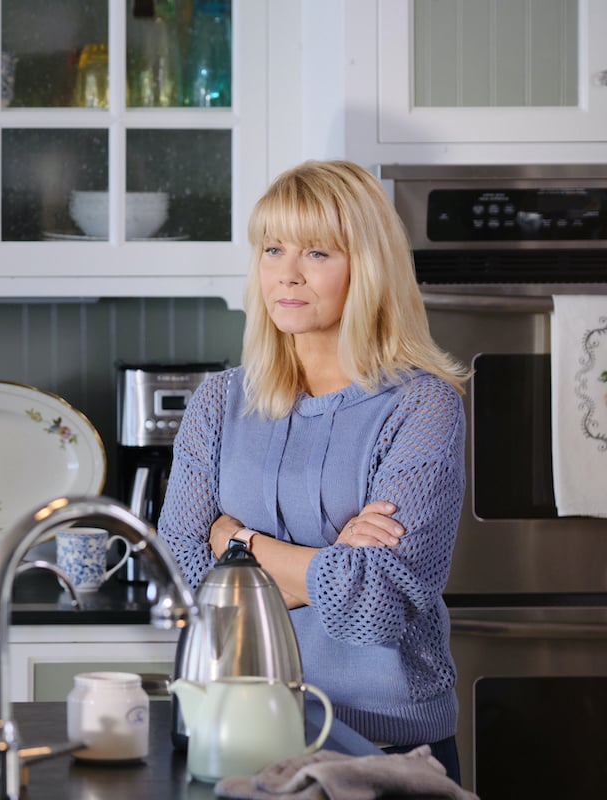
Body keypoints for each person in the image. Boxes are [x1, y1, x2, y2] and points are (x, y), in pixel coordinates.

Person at [158, 160, 469, 782]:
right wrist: (336, 558)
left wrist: (239, 544)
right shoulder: (220, 401)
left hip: (386, 745)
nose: (287, 274)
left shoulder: (422, 403)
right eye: (273, 249)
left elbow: (377, 601)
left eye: (317, 252)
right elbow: (184, 570)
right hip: (236, 726)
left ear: (367, 268)